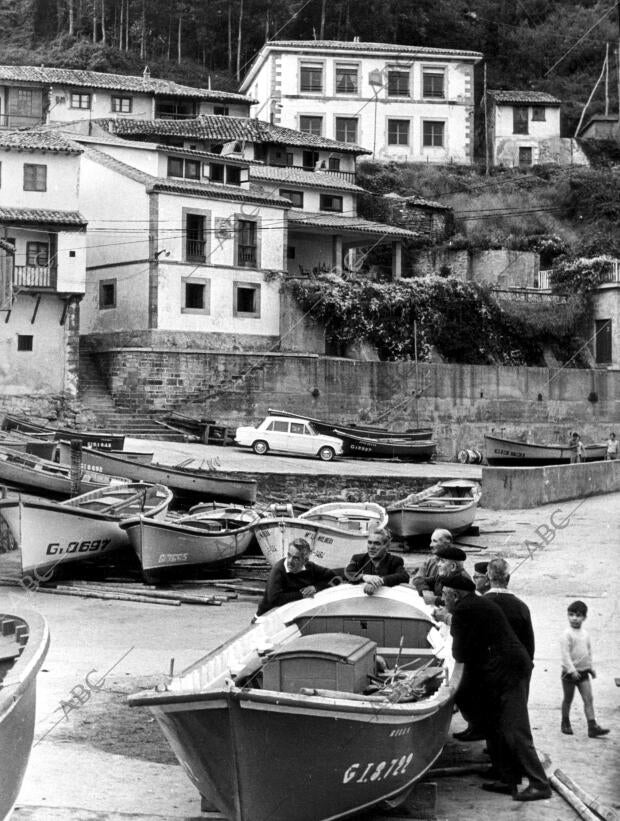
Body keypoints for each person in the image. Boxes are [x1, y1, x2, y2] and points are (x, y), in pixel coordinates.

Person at [443, 574, 551, 802]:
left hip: (509, 670)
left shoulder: (463, 610)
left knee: (515, 728)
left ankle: (539, 783)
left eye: (445, 595)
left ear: (455, 595)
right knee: (497, 723)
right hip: (506, 666)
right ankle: (508, 778)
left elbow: (460, 653)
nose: (444, 600)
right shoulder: (478, 602)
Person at [560, 600, 609, 738]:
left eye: (578, 615)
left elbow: (587, 652)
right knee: (568, 699)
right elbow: (565, 655)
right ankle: (565, 721)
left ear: (584, 617)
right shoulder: (566, 634)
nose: (574, 618)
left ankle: (592, 726)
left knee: (589, 699)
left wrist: (590, 667)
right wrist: (571, 670)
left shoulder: (585, 634)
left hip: (583, 673)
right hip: (569, 675)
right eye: (571, 615)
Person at [256, 538, 336, 616]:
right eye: (289, 555)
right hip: (266, 616)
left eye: (296, 558)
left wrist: (315, 587)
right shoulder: (278, 570)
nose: (290, 561)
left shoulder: (311, 567)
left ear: (305, 561)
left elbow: (334, 577)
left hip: (292, 615)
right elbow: (274, 599)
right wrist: (302, 594)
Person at [345, 528, 408, 594]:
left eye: (377, 543)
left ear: (387, 547)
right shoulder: (358, 558)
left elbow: (404, 576)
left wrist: (377, 582)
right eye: (369, 542)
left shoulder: (395, 561)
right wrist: (365, 577)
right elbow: (348, 572)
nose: (372, 547)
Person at [409, 528, 452, 596]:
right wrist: (426, 591)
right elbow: (417, 579)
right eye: (431, 541)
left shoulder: (453, 565)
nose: (430, 545)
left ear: (446, 544)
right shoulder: (429, 561)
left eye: (434, 541)